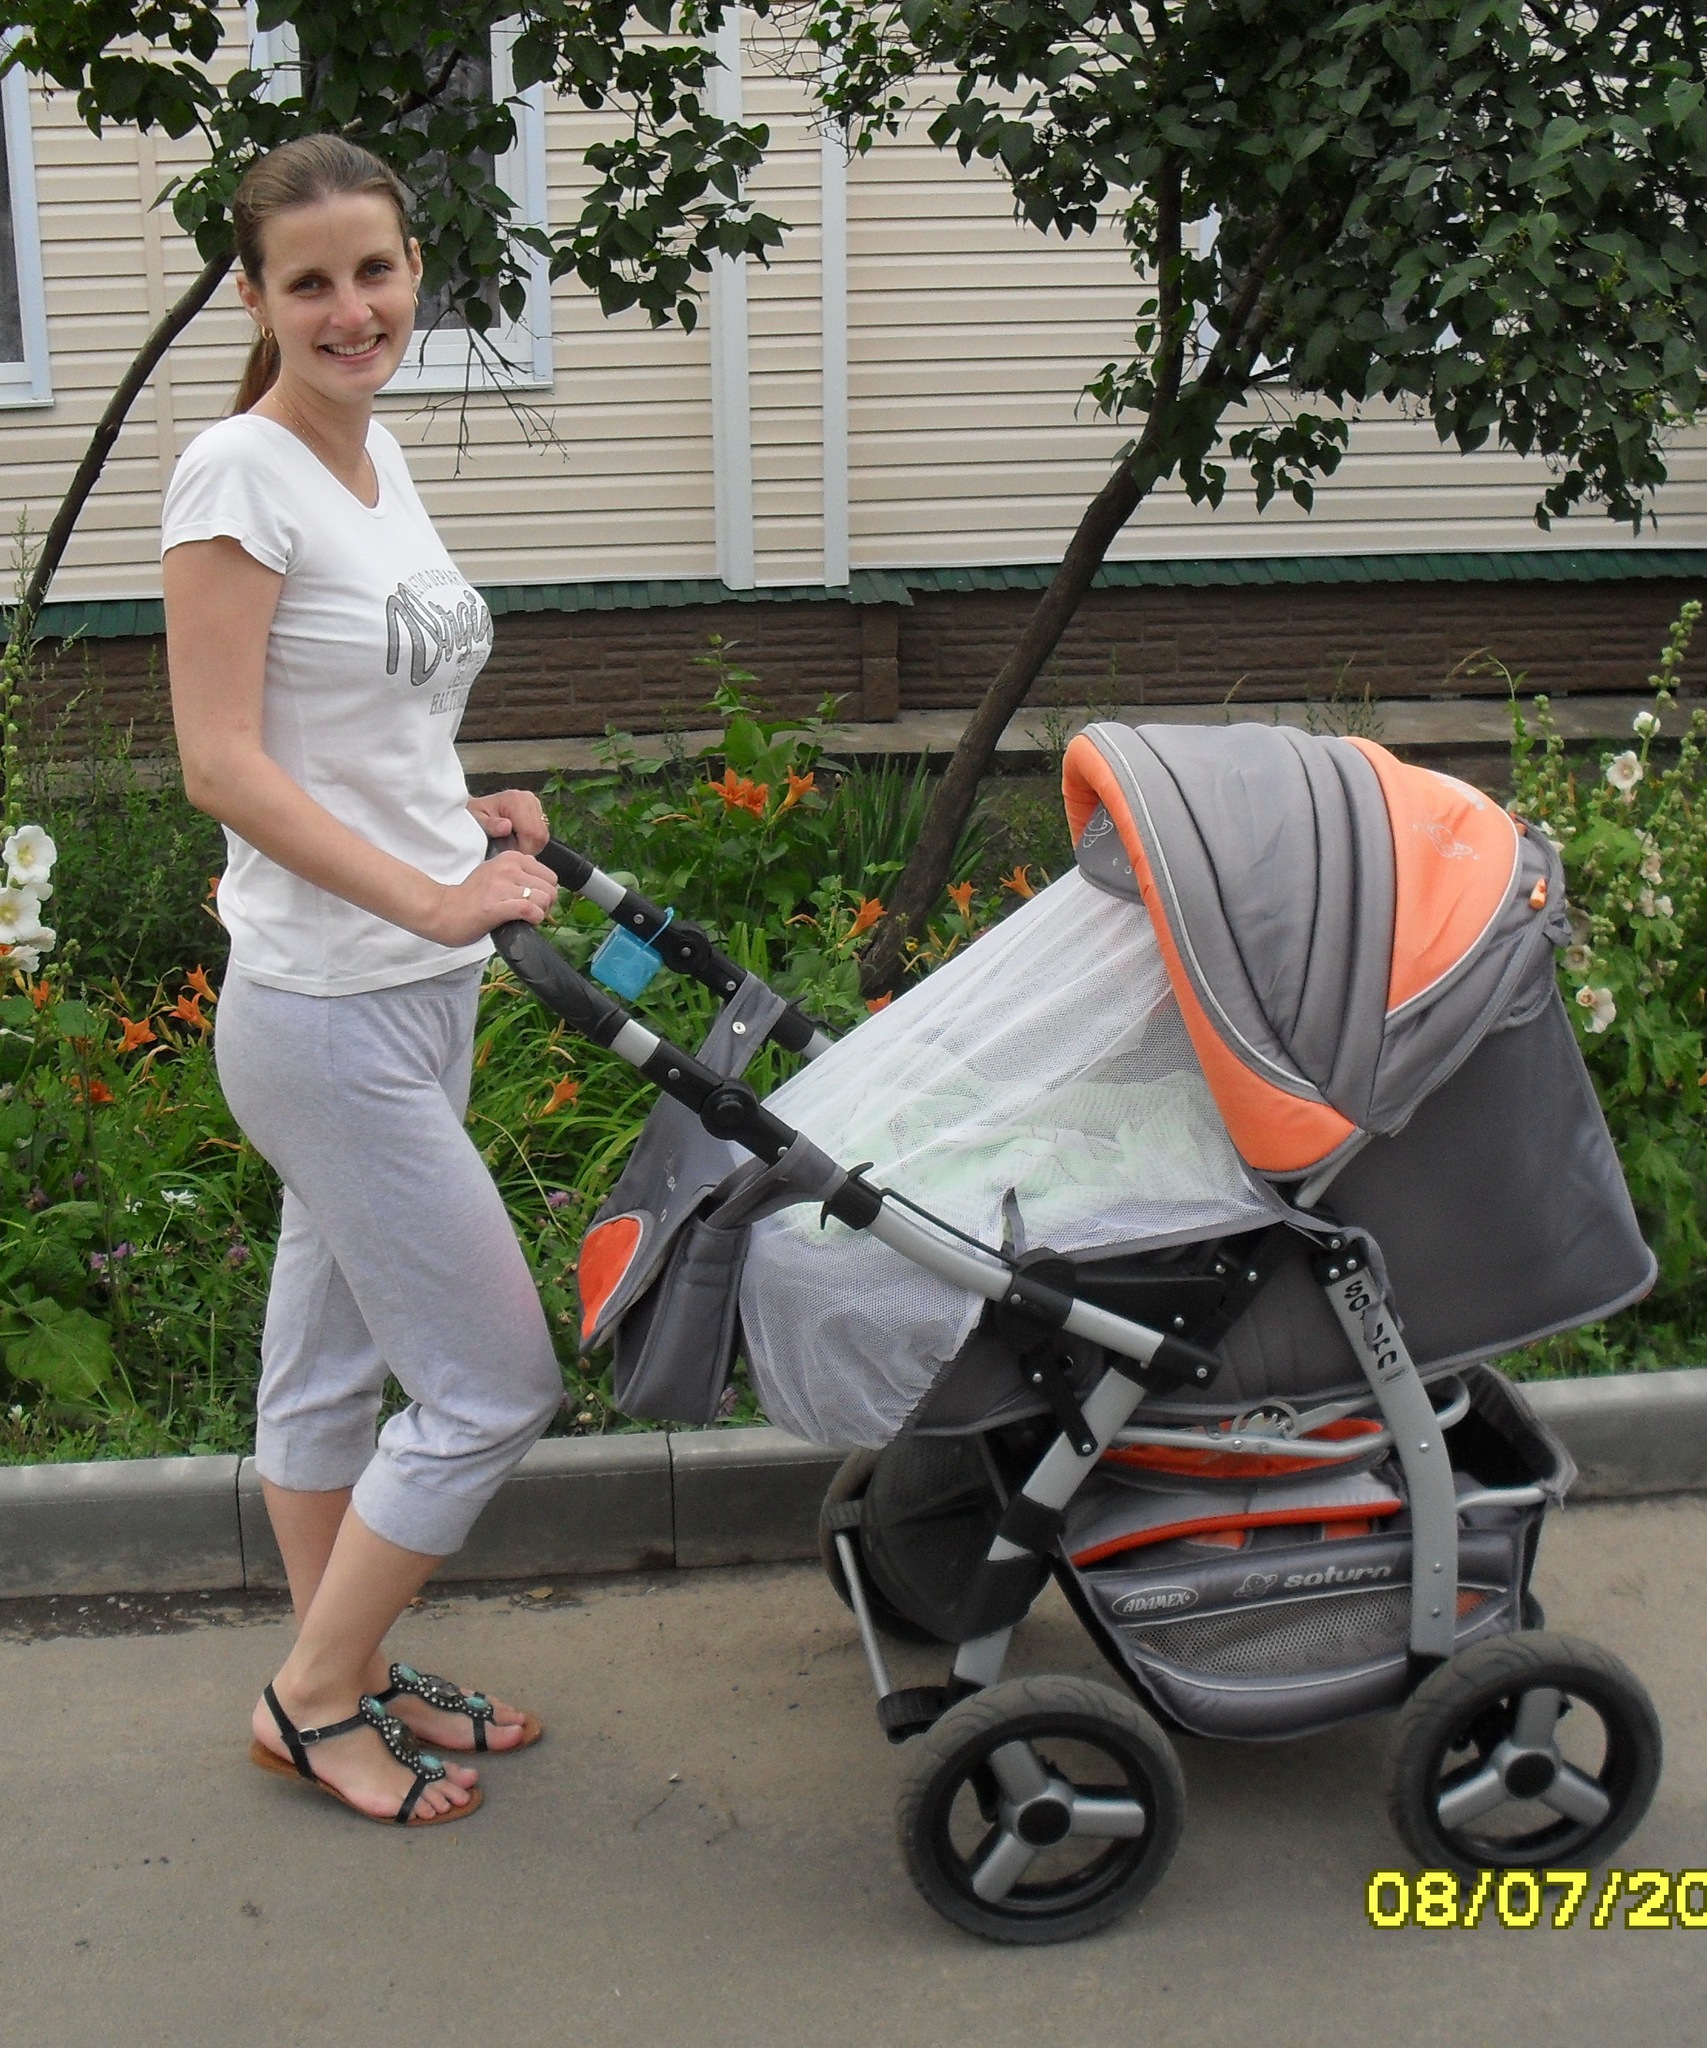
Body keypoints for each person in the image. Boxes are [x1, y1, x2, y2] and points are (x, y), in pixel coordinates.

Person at [162, 135, 565, 1827]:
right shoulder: (235, 472)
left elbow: (365, 717)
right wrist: (431, 895)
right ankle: (311, 1696)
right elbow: (223, 764)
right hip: (329, 1012)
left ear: (414, 273)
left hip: (409, 989)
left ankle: (356, 1662)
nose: (352, 309)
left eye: (376, 270)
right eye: (311, 281)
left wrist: (463, 814)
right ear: (255, 297)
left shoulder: (374, 454)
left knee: (327, 1374)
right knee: (494, 1386)